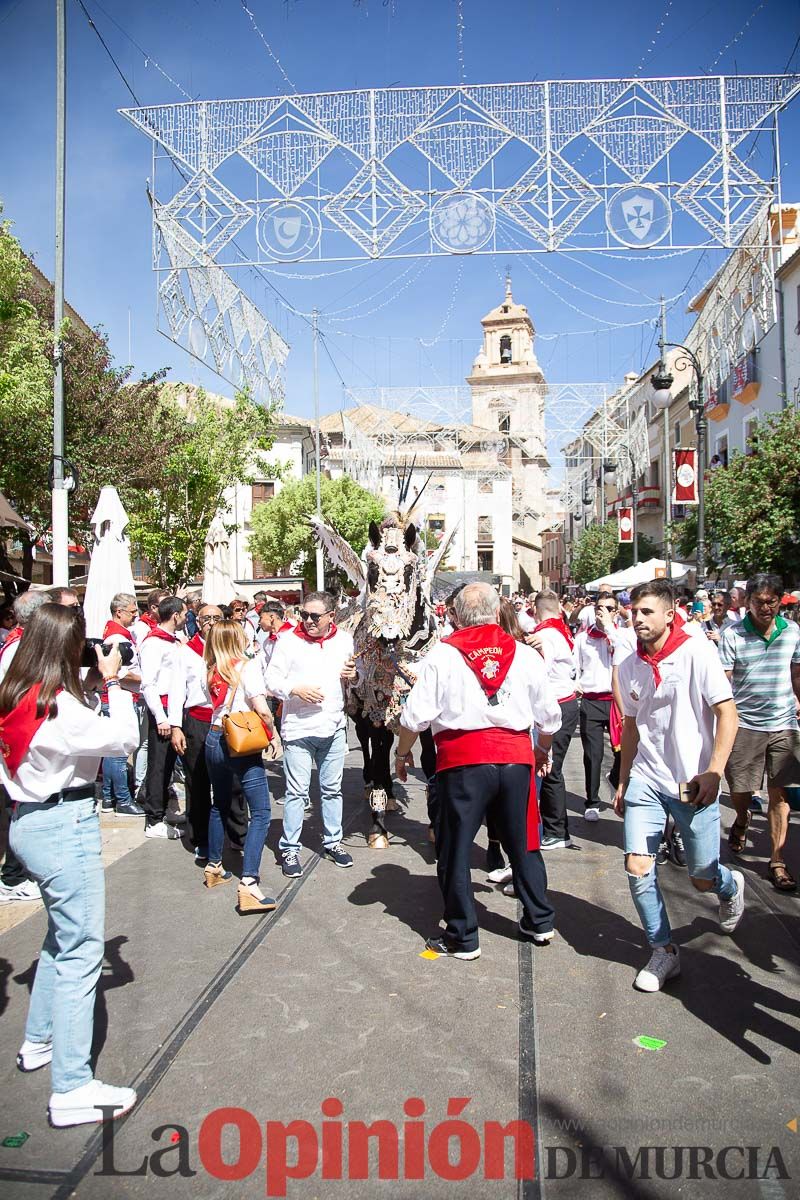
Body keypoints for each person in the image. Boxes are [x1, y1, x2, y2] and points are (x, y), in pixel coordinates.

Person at [0, 603, 138, 1125]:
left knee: (61, 939)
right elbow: (124, 740)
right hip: (63, 825)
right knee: (81, 951)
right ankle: (72, 1086)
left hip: (28, 821)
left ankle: (39, 1040)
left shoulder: (18, 694)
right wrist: (116, 683)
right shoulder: (59, 708)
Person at [395, 582, 562, 959]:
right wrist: (541, 751)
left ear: (454, 615)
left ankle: (463, 935)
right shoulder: (523, 653)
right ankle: (539, 920)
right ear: (497, 611)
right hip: (516, 758)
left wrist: (402, 754)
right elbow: (549, 717)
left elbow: (415, 716)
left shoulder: (443, 655)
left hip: (463, 761)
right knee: (525, 843)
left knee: (454, 848)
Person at [614, 579, 742, 993]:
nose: (638, 619)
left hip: (691, 783)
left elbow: (727, 714)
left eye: (647, 612)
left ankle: (727, 884)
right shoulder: (631, 663)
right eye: (635, 612)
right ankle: (663, 949)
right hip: (647, 781)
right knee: (637, 865)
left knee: (700, 877)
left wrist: (714, 771)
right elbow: (631, 726)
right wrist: (623, 779)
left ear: (670, 614)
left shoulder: (696, 652)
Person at [264, 591, 357, 878]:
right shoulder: (288, 641)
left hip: (332, 726)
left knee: (331, 791)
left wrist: (354, 675)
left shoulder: (343, 640)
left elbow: (355, 675)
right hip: (299, 729)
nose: (308, 620)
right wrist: (294, 689)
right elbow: (271, 679)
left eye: (315, 616)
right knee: (297, 792)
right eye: (304, 614)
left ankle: (333, 842)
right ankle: (290, 847)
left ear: (332, 616)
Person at [719, 574, 800, 892]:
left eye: (771, 601)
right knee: (741, 790)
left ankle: (777, 859)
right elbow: (723, 682)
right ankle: (741, 818)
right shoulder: (733, 634)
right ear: (747, 603)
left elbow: (797, 674)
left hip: (784, 725)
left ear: (779, 601)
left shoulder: (793, 632)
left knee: (780, 794)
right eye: (759, 601)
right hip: (745, 725)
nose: (766, 607)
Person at [203, 620, 277, 912]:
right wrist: (272, 734)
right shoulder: (247, 667)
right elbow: (261, 708)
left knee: (218, 803)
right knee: (260, 812)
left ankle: (214, 865)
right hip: (240, 738)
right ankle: (249, 883)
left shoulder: (209, 669)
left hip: (214, 736)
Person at [0, 589, 49, 904]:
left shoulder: (23, 646)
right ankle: (12, 878)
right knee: (17, 807)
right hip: (17, 738)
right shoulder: (18, 648)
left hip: (24, 735)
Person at [168, 604, 223, 865]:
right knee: (198, 781)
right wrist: (175, 726)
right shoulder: (186, 652)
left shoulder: (231, 648)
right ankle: (200, 839)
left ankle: (234, 833)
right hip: (197, 722)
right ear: (197, 621)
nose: (211, 622)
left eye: (216, 618)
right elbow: (177, 691)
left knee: (231, 783)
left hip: (226, 722)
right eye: (206, 618)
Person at [574, 592, 635, 820]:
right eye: (600, 607)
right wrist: (576, 684)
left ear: (617, 610)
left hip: (616, 701)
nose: (603, 612)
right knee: (593, 753)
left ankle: (616, 777)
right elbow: (575, 667)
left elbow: (627, 655)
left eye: (609, 608)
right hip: (591, 700)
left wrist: (610, 628)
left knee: (624, 751)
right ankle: (592, 800)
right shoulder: (583, 638)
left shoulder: (622, 635)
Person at [527, 589, 580, 851]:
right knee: (550, 768)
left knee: (549, 768)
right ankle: (555, 828)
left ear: (536, 611)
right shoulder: (560, 628)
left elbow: (539, 673)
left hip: (558, 705)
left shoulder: (546, 635)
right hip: (566, 702)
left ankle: (557, 830)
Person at [139, 596, 186, 839]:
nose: (186, 617)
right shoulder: (153, 644)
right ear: (175, 614)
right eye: (184, 613)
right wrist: (160, 717)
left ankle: (163, 809)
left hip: (175, 708)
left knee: (168, 764)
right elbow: (148, 683)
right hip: (163, 709)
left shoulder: (174, 641)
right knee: (158, 765)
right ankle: (153, 818)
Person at [99, 592, 144, 817]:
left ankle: (108, 797)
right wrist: (145, 678)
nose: (136, 615)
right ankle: (123, 800)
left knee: (112, 752)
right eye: (133, 611)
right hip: (121, 697)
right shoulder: (117, 638)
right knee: (119, 752)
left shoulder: (117, 634)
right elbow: (118, 671)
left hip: (118, 697)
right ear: (119, 612)